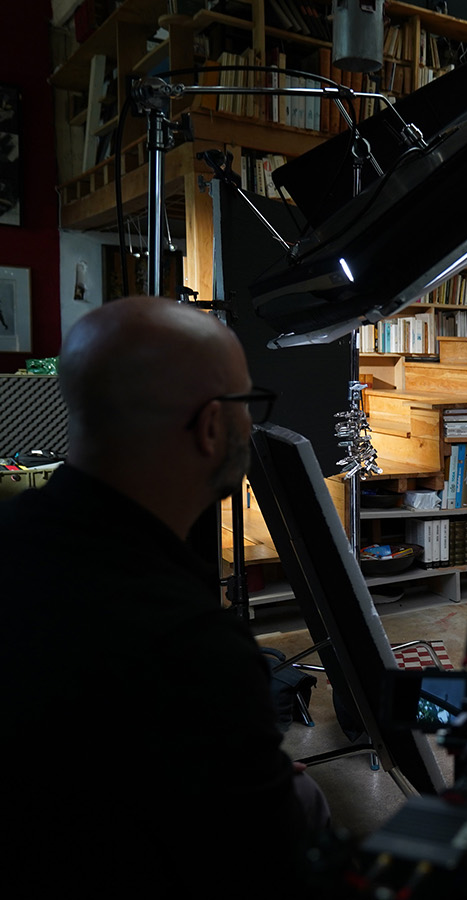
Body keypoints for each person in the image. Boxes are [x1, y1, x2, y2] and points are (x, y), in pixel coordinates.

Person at [0, 297, 324, 898]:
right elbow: (268, 862)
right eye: (245, 405)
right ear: (209, 427)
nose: (250, 425)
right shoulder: (192, 650)